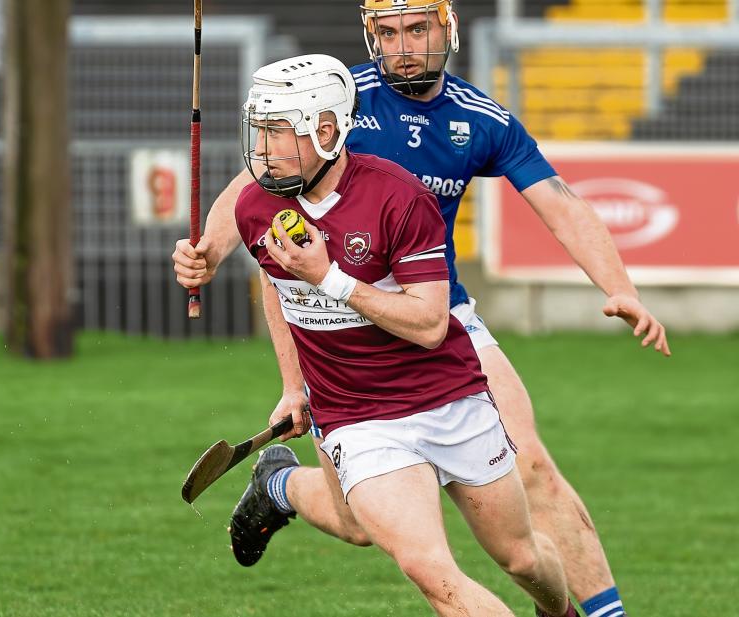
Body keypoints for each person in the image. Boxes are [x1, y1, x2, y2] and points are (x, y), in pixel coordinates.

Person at [172, 2, 669, 616]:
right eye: (387, 31)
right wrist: (210, 253)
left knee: (532, 466)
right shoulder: (338, 99)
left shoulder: (477, 119)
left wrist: (619, 286)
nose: (402, 45)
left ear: (447, 28)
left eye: (417, 29)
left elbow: (561, 204)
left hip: (435, 315)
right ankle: (282, 487)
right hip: (340, 329)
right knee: (361, 527)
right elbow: (256, 190)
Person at [232, 51, 579, 617]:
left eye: (277, 132)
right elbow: (278, 284)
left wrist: (331, 278)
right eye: (259, 131)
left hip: (449, 397)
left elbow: (429, 323)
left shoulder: (398, 197)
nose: (262, 149)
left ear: (325, 130)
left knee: (521, 558)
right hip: (359, 416)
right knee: (431, 572)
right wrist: (294, 386)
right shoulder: (256, 206)